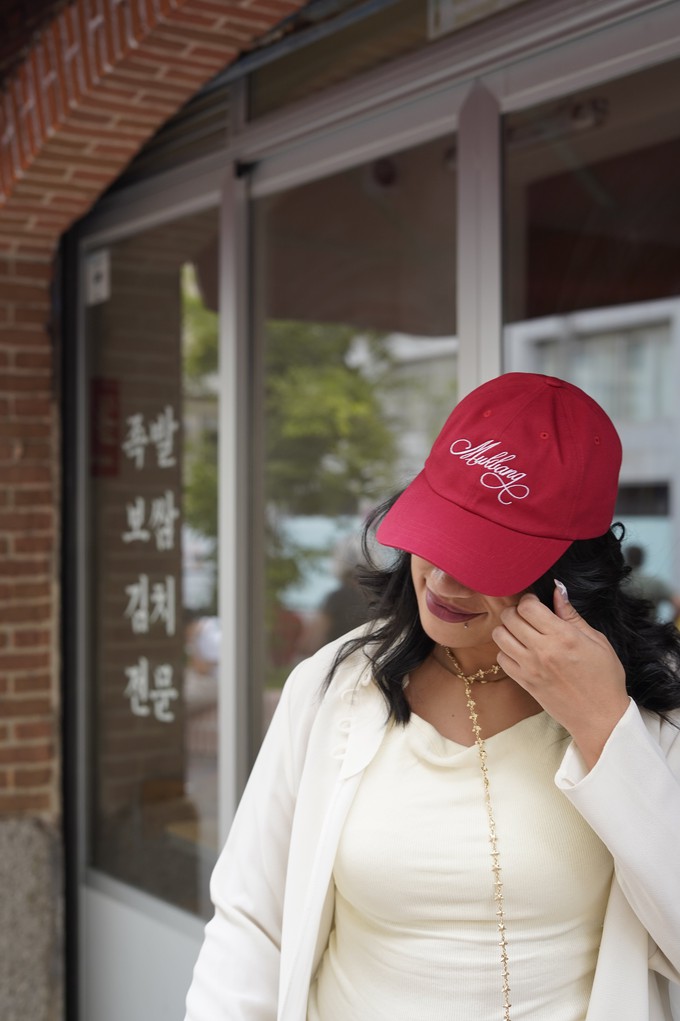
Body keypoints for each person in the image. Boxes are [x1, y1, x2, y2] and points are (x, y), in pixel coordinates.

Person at [184, 373, 680, 1021]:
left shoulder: (648, 711)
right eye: (440, 534)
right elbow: (250, 922)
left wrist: (605, 726)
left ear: (570, 575)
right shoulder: (335, 685)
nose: (443, 577)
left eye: (484, 556)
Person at [624, 543, 680, 621]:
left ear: (626, 559)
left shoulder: (620, 583)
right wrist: (671, 625)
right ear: (642, 559)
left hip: (623, 630)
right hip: (650, 629)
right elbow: (678, 603)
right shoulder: (655, 583)